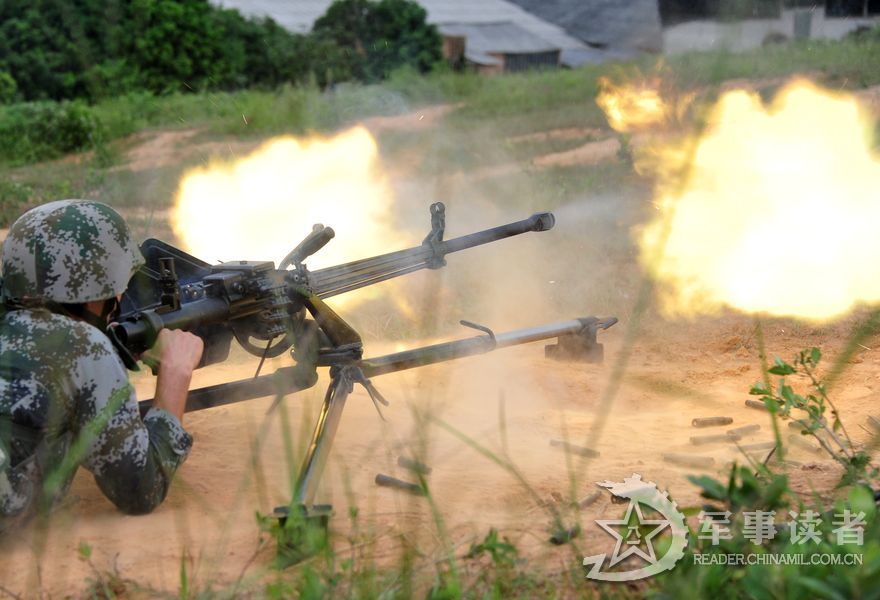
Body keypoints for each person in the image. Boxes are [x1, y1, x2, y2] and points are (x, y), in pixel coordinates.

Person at [0, 200, 203, 532]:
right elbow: (140, 489)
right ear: (91, 286)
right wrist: (175, 374)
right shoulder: (81, 346)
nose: (120, 297)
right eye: (115, 286)